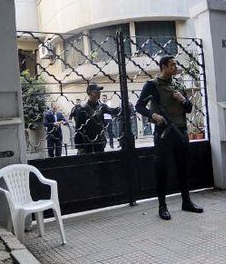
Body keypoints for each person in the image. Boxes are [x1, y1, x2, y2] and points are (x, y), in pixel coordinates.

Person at [135, 56, 203, 220]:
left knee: (184, 168)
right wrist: (154, 115)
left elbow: (188, 109)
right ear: (163, 67)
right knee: (162, 170)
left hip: (180, 131)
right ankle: (162, 206)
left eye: (176, 64)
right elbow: (139, 106)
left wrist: (183, 100)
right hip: (163, 132)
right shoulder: (152, 85)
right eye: (172, 65)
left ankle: (186, 202)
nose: (175, 67)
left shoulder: (178, 84)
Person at [74, 84, 120, 154]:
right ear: (89, 93)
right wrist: (79, 147)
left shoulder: (102, 107)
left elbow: (113, 111)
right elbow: (78, 128)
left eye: (99, 91)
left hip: (100, 140)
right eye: (96, 91)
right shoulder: (82, 109)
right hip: (87, 142)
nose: (99, 93)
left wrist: (121, 108)